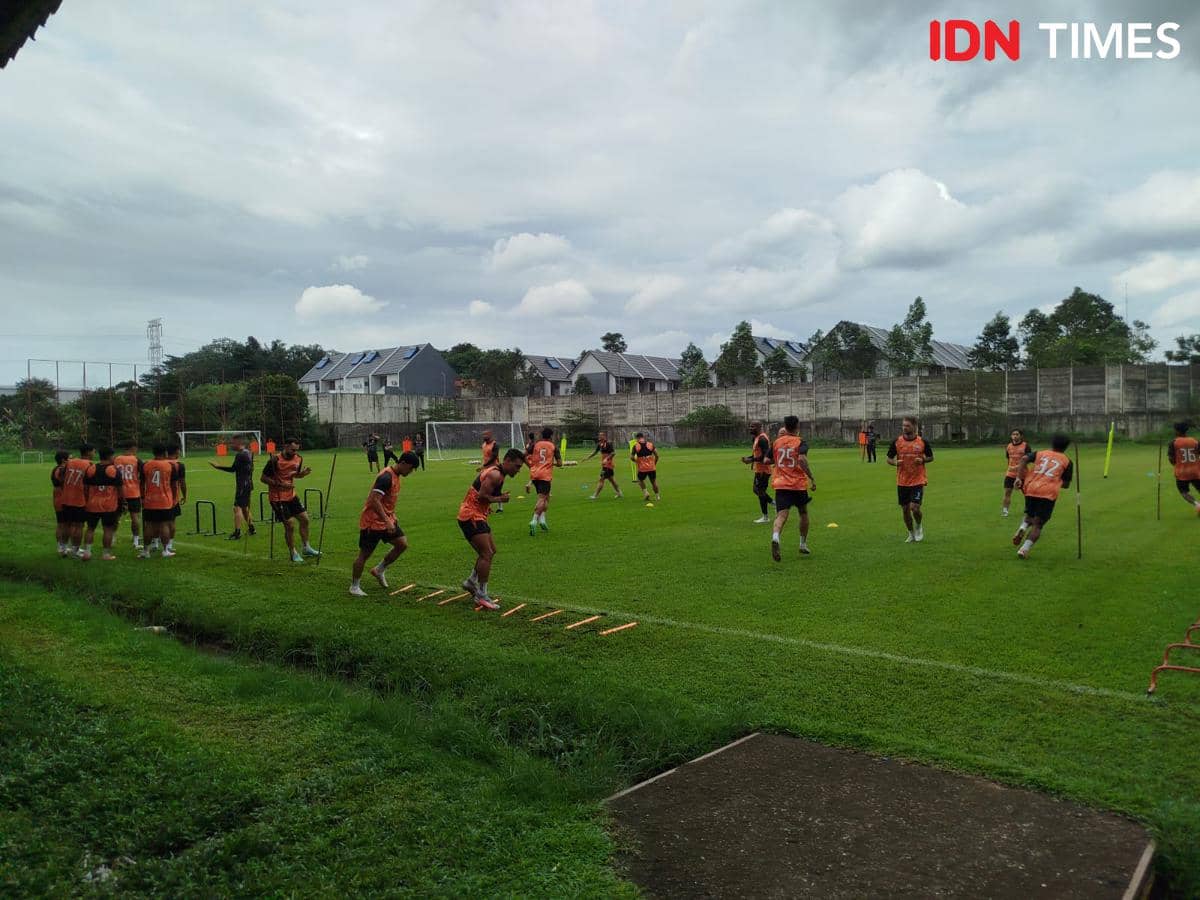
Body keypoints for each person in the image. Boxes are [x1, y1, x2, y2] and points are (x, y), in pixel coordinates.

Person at [458, 447, 526, 610]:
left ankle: (471, 582)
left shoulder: (500, 475)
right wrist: (500, 498)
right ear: (507, 461)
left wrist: (496, 499)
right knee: (486, 554)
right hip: (471, 516)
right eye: (517, 466)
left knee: (491, 551)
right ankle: (481, 595)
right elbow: (482, 496)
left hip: (478, 515)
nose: (518, 471)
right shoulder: (495, 474)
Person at [350, 451, 419, 596]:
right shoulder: (386, 477)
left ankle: (379, 570)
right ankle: (354, 586)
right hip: (372, 521)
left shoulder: (396, 476)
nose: (411, 472)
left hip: (386, 520)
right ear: (403, 463)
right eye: (411, 468)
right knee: (364, 554)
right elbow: (374, 500)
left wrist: (391, 516)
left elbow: (386, 500)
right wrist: (387, 519)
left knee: (401, 544)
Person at [1011, 434, 1074, 559]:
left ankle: (1022, 527)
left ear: (1052, 443)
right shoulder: (1067, 461)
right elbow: (1066, 485)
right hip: (1048, 493)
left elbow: (1023, 459)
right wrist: (1055, 480)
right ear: (1066, 447)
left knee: (1029, 515)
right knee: (1038, 524)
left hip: (1031, 487)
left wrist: (1018, 478)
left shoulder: (1040, 453)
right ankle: (1024, 549)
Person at [260, 438, 320, 563]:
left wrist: (303, 474)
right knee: (290, 525)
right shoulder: (274, 460)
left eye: (296, 450)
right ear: (286, 446)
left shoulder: (298, 458)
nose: (294, 452)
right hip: (277, 498)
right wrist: (281, 485)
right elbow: (263, 478)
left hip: (291, 496)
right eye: (292, 449)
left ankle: (306, 547)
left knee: (305, 519)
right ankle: (293, 552)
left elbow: (294, 475)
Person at [770, 415, 816, 560]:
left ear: (785, 425)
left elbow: (768, 459)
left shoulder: (776, 443)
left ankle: (776, 537)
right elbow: (801, 459)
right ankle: (802, 544)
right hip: (797, 484)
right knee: (803, 513)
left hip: (781, 483)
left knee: (781, 515)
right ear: (797, 426)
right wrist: (811, 477)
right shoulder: (800, 441)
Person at [887, 416, 933, 543]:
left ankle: (918, 526)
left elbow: (930, 457)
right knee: (905, 510)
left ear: (914, 426)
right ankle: (911, 533)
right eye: (903, 425)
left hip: (918, 480)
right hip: (902, 481)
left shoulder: (922, 442)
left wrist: (923, 460)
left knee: (915, 508)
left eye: (907, 425)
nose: (904, 427)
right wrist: (895, 463)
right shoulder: (897, 442)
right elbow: (889, 459)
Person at [81, 447, 124, 561]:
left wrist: (87, 499)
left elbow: (85, 488)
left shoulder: (91, 468)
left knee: (90, 528)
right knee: (108, 529)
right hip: (109, 506)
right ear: (110, 456)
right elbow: (120, 490)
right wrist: (122, 502)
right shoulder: (113, 470)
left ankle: (87, 552)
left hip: (92, 504)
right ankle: (106, 554)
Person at [209, 435, 256, 540]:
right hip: (248, 484)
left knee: (237, 508)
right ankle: (252, 528)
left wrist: (217, 466)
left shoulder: (240, 455)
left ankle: (237, 532)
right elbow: (250, 468)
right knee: (244, 508)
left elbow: (232, 469)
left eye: (233, 443)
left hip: (242, 486)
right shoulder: (248, 452)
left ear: (240, 443)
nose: (231, 445)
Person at [139, 444, 179, 558]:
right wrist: (174, 498)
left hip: (150, 500)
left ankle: (146, 551)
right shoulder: (170, 465)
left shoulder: (146, 465)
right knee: (164, 525)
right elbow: (174, 485)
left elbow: (141, 483)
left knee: (149, 525)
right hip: (165, 500)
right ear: (165, 453)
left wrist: (142, 497)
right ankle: (165, 550)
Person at [59, 444, 94, 557]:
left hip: (66, 498)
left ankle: (63, 548)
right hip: (79, 499)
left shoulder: (70, 462)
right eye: (93, 451)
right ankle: (75, 550)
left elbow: (61, 475)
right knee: (79, 526)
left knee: (66, 525)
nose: (94, 453)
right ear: (88, 452)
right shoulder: (89, 465)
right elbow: (89, 485)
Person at [528, 427, 562, 534]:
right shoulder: (553, 446)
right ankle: (534, 520)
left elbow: (525, 454)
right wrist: (552, 464)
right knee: (542, 498)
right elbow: (560, 463)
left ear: (542, 435)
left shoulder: (535, 444)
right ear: (551, 436)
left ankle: (543, 520)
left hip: (534, 474)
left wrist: (532, 465)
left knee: (546, 498)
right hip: (545, 475)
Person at [742, 421, 774, 523]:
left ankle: (766, 516)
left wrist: (751, 460)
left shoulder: (762, 439)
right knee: (757, 490)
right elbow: (756, 455)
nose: (750, 428)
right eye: (750, 426)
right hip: (759, 469)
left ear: (759, 427)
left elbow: (765, 456)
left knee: (760, 491)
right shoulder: (755, 438)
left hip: (764, 470)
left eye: (753, 427)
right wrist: (749, 458)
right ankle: (773, 504)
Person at [114, 442, 144, 549]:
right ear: (133, 448)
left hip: (118, 493)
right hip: (133, 492)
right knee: (135, 517)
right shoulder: (137, 460)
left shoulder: (116, 459)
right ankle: (136, 541)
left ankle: (112, 538)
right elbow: (143, 475)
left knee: (116, 516)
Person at [1167, 421, 1200, 514]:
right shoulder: (1195, 441)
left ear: (1177, 431)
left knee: (1184, 492)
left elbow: (1171, 459)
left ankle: (1197, 505)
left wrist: (1176, 464)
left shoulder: (1173, 443)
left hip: (1182, 472)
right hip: (1195, 471)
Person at [1001, 428, 1031, 518]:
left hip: (1023, 474)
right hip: (1010, 474)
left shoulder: (1026, 446)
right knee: (1007, 492)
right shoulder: (1009, 446)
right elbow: (1009, 459)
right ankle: (1005, 511)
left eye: (1017, 434)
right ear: (1011, 436)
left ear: (1021, 436)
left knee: (1027, 493)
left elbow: (1029, 459)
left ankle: (1028, 510)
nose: (1015, 436)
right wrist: (1010, 468)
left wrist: (1020, 466)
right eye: (1013, 434)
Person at [584, 431, 623, 499]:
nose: (600, 437)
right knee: (612, 480)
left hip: (608, 465)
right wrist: (587, 458)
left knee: (601, 479)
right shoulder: (600, 444)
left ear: (604, 437)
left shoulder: (608, 444)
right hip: (605, 465)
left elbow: (613, 453)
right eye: (599, 436)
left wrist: (606, 459)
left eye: (601, 436)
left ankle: (595, 495)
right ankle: (619, 493)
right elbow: (595, 452)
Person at [164, 444, 187, 554]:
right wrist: (185, 495)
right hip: (172, 497)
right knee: (171, 521)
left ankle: (154, 543)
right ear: (177, 452)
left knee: (156, 522)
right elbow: (182, 483)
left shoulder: (158, 464)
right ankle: (169, 545)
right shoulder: (178, 465)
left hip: (156, 497)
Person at [51, 450, 70, 555]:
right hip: (62, 497)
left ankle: (62, 546)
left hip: (58, 496)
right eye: (69, 457)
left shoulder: (56, 469)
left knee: (62, 523)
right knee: (63, 524)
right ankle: (62, 547)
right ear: (64, 459)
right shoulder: (61, 470)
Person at [631, 432, 661, 501]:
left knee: (639, 480)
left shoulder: (636, 446)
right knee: (653, 482)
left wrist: (637, 461)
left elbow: (631, 457)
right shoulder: (650, 444)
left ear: (637, 438)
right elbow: (657, 455)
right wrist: (654, 463)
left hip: (642, 468)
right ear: (643, 437)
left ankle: (646, 493)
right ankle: (657, 497)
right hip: (651, 467)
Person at [480, 430, 503, 512]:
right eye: (483, 435)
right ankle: (487, 507)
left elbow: (494, 457)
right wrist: (483, 466)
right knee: (484, 488)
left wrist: (484, 465)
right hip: (485, 469)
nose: (484, 437)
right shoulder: (483, 445)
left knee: (496, 489)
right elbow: (485, 457)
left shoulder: (495, 445)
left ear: (490, 436)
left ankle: (500, 508)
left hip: (494, 469)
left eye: (485, 435)